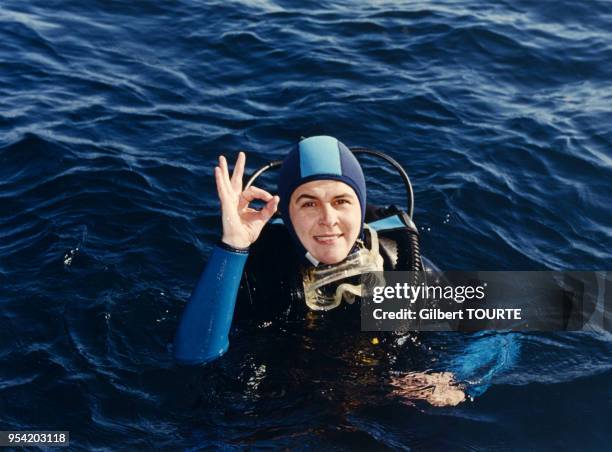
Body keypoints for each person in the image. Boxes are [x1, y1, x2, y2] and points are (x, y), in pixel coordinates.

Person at [173, 136, 465, 405]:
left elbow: (501, 331)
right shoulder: (258, 270)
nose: (328, 219)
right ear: (287, 214)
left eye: (341, 201)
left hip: (384, 401)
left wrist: (453, 377)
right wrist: (233, 246)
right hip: (282, 410)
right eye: (309, 203)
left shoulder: (400, 262)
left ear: (360, 208)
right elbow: (193, 359)